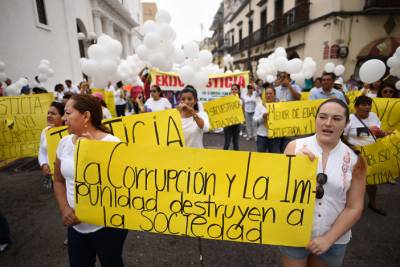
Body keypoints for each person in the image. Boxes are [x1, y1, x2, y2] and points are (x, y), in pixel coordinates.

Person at [281, 98, 366, 267]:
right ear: (315, 119)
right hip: (295, 232)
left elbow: (354, 206)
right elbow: (277, 193)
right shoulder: (294, 147)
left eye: (336, 119)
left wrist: (328, 239)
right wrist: (296, 168)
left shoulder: (356, 160)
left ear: (346, 123)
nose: (328, 123)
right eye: (323, 117)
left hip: (334, 239)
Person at [54, 94, 127, 267]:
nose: (64, 118)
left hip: (108, 227)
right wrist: (64, 208)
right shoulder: (64, 143)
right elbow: (58, 180)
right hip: (76, 227)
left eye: (68, 113)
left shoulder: (112, 143)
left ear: (85, 116)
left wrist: (95, 153)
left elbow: (122, 187)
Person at [343, 95, 389, 216]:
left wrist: (383, 134)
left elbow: (377, 133)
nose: (367, 107)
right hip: (355, 154)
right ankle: (354, 205)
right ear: (356, 107)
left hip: (371, 153)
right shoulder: (349, 119)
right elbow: (343, 136)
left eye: (369, 104)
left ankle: (373, 203)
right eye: (363, 104)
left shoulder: (373, 116)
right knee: (354, 181)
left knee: (372, 180)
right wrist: (353, 148)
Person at [38, 102, 65, 189]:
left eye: (53, 114)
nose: (49, 116)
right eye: (48, 113)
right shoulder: (45, 131)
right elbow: (42, 152)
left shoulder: (70, 132)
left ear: (63, 117)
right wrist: (44, 164)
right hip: (54, 177)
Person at [253, 86, 282, 153]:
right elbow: (254, 121)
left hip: (275, 136)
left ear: (274, 95)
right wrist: (262, 117)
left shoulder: (279, 106)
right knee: (261, 157)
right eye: (266, 93)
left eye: (270, 93)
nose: (268, 95)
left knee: (274, 157)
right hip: (262, 136)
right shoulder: (259, 106)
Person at [223, 84, 243, 150]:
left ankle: (236, 158)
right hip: (227, 124)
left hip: (237, 124)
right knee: (227, 142)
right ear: (230, 90)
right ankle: (223, 157)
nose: (234, 90)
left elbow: (241, 112)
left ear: (238, 91)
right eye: (232, 89)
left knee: (236, 142)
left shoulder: (240, 101)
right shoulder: (226, 100)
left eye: (235, 89)